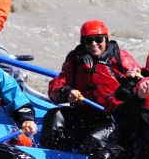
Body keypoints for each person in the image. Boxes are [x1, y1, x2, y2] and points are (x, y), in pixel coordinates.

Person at [40, 19, 141, 151]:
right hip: (83, 114)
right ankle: (54, 156)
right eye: (88, 41)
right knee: (54, 116)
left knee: (93, 141)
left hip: (111, 119)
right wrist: (66, 93)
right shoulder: (75, 60)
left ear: (106, 39)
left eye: (98, 39)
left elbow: (143, 85)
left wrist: (131, 82)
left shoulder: (121, 59)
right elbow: (55, 87)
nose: (94, 44)